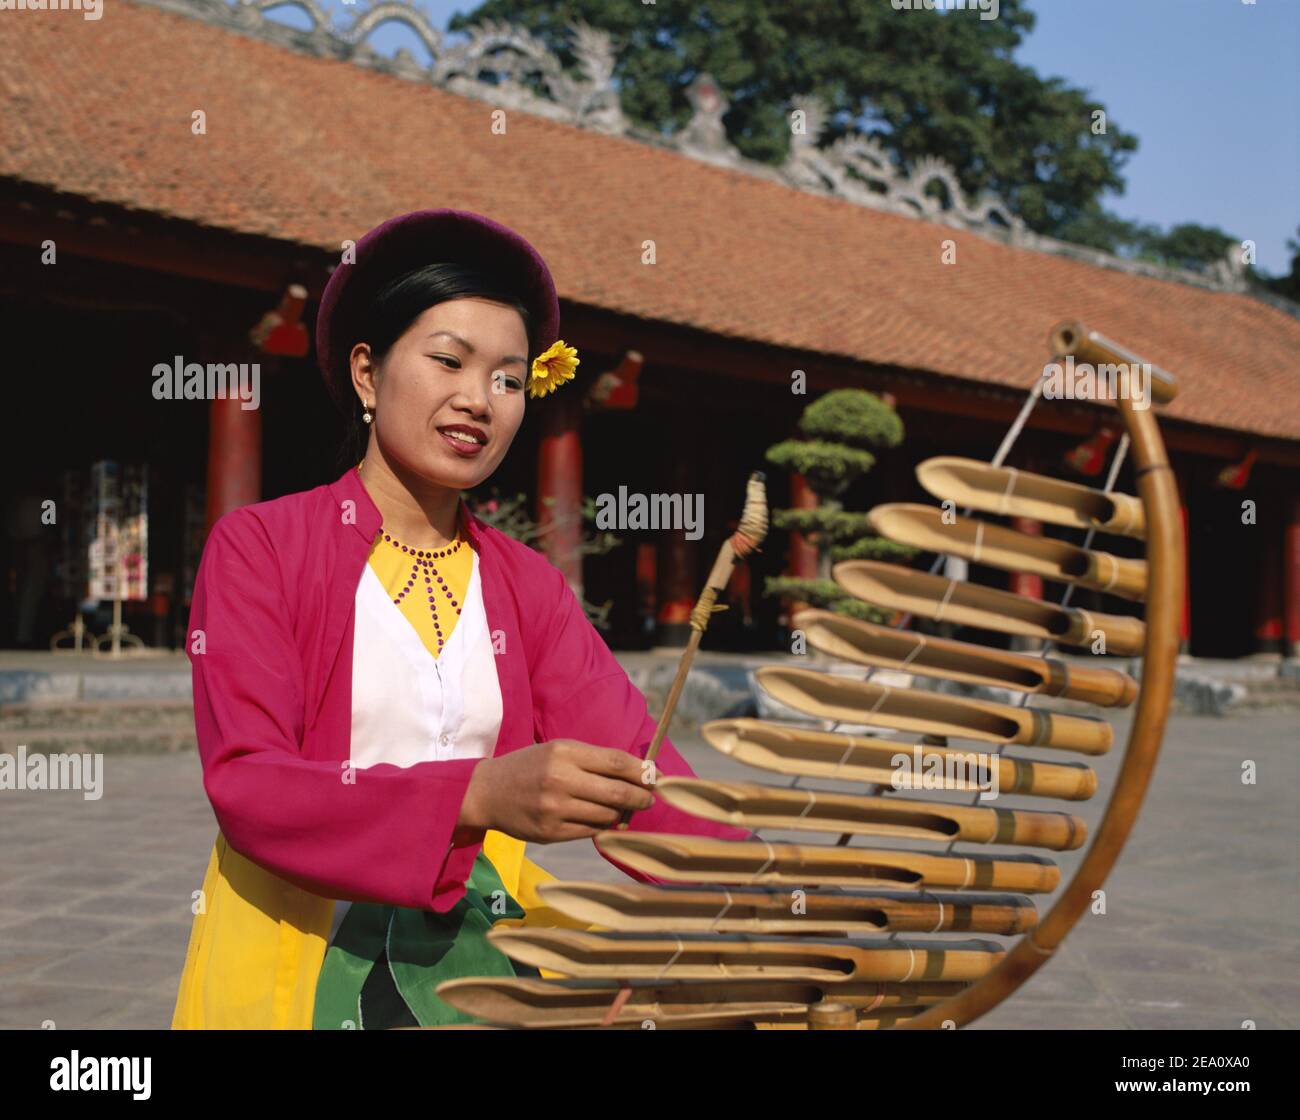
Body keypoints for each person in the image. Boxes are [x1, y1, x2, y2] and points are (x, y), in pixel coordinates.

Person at [169, 209, 749, 1029]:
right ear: (367, 374)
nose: (480, 399)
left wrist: (771, 897)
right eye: (448, 360)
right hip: (294, 955)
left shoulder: (528, 587)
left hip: (474, 970)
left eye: (510, 379)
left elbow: (641, 772)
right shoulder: (263, 548)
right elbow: (251, 784)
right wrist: (476, 794)